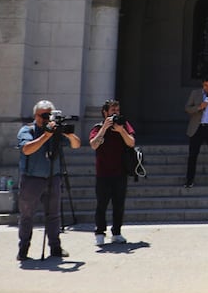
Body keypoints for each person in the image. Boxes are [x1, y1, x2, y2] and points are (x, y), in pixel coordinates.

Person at [15, 100, 82, 260]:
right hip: (32, 179)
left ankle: (56, 248)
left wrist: (67, 132)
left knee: (53, 215)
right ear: (35, 116)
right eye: (42, 115)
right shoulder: (28, 130)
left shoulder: (55, 132)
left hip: (53, 177)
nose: (45, 119)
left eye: (48, 115)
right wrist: (46, 136)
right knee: (27, 215)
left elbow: (76, 145)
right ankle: (23, 249)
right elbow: (27, 149)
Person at [89, 99, 136, 247]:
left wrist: (121, 130)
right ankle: (100, 233)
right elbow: (93, 145)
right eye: (112, 111)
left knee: (119, 204)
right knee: (101, 205)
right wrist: (104, 128)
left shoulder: (124, 125)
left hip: (120, 172)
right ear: (105, 112)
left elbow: (131, 142)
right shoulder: (98, 127)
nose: (115, 113)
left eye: (117, 110)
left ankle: (116, 233)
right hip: (103, 173)